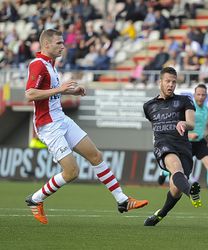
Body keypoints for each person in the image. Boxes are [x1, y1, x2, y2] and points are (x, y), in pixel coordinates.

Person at [24, 29, 148, 225]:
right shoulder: (38, 65)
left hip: (61, 119)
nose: (63, 46)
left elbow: (51, 94)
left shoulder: (50, 64)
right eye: (58, 43)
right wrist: (61, 89)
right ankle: (35, 199)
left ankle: (122, 200)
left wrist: (71, 91)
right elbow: (30, 94)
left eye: (63, 42)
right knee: (72, 172)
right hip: (48, 125)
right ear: (46, 45)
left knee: (96, 156)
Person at [143, 67, 201, 226]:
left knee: (175, 190)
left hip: (183, 146)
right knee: (176, 168)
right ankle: (191, 192)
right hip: (163, 144)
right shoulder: (149, 106)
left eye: (174, 82)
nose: (171, 85)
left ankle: (161, 214)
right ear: (160, 82)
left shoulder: (185, 100)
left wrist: (184, 123)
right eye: (168, 81)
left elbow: (191, 124)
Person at [158, 84, 208, 206]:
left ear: (206, 96)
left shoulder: (205, 109)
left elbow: (200, 127)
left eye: (203, 94)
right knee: (180, 169)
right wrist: (188, 135)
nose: (201, 97)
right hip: (186, 143)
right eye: (198, 94)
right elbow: (179, 125)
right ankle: (164, 172)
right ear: (194, 95)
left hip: (199, 142)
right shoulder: (189, 107)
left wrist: (207, 136)